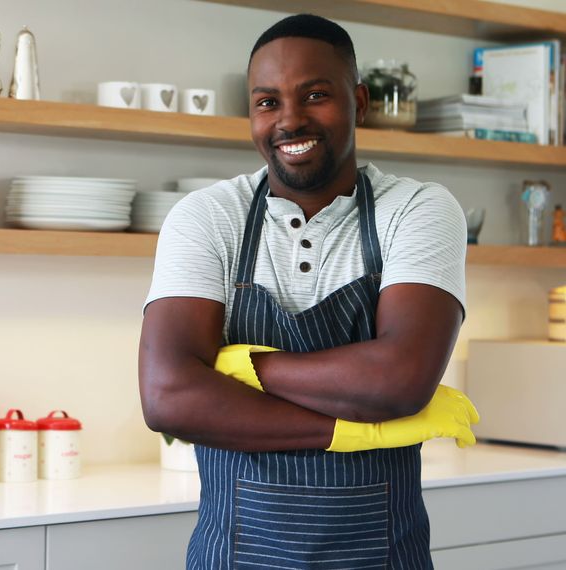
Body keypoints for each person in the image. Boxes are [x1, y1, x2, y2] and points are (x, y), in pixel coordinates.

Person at [138, 14, 479, 569]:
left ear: (360, 101)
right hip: (234, 557)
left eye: (315, 95)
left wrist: (243, 368)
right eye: (267, 102)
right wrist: (352, 429)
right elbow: (168, 397)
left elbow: (400, 378)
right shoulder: (206, 217)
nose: (289, 120)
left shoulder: (417, 210)